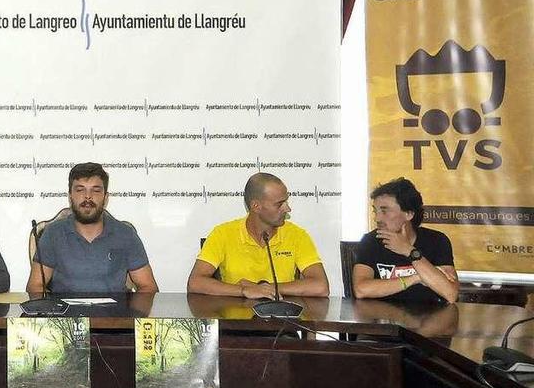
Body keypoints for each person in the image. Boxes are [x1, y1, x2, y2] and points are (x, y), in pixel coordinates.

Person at [188, 172, 329, 298]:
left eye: (286, 201)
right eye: (280, 204)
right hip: (234, 323)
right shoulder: (223, 234)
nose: (288, 208)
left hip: (283, 322)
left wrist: (267, 288)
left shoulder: (297, 235)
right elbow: (195, 282)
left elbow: (321, 287)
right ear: (256, 206)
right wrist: (243, 290)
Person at [27, 162, 158, 293]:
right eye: (80, 190)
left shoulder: (125, 234)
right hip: (65, 312)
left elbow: (148, 287)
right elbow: (35, 286)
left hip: (115, 313)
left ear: (105, 197)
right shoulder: (53, 234)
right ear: (70, 196)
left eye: (95, 190)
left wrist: (130, 312)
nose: (87, 196)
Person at [353, 178, 458, 303]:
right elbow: (361, 290)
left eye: (384, 211)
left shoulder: (437, 241)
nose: (377, 218)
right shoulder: (370, 242)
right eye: (375, 211)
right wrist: (415, 278)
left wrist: (409, 250)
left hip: (428, 318)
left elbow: (451, 294)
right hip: (384, 319)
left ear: (409, 214)